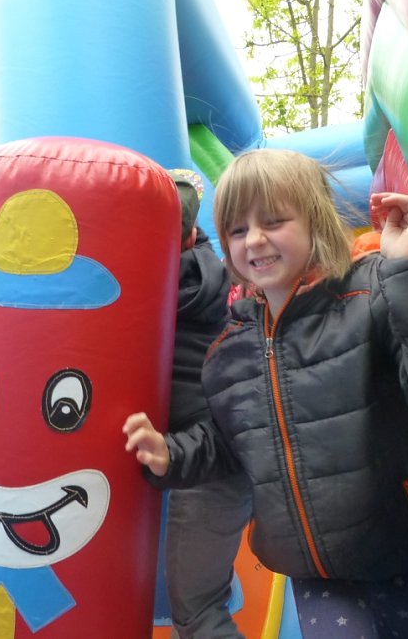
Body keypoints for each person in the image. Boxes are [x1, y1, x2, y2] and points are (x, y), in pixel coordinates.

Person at [126, 150, 408, 638]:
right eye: (237, 231)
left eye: (274, 221)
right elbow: (229, 443)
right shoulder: (230, 348)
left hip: (395, 544)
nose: (254, 240)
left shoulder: (371, 297)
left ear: (316, 221)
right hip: (312, 570)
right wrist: (169, 454)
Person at [161, 169, 252, 639]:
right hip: (222, 450)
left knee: (197, 611)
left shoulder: (157, 285)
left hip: (208, 459)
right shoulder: (207, 269)